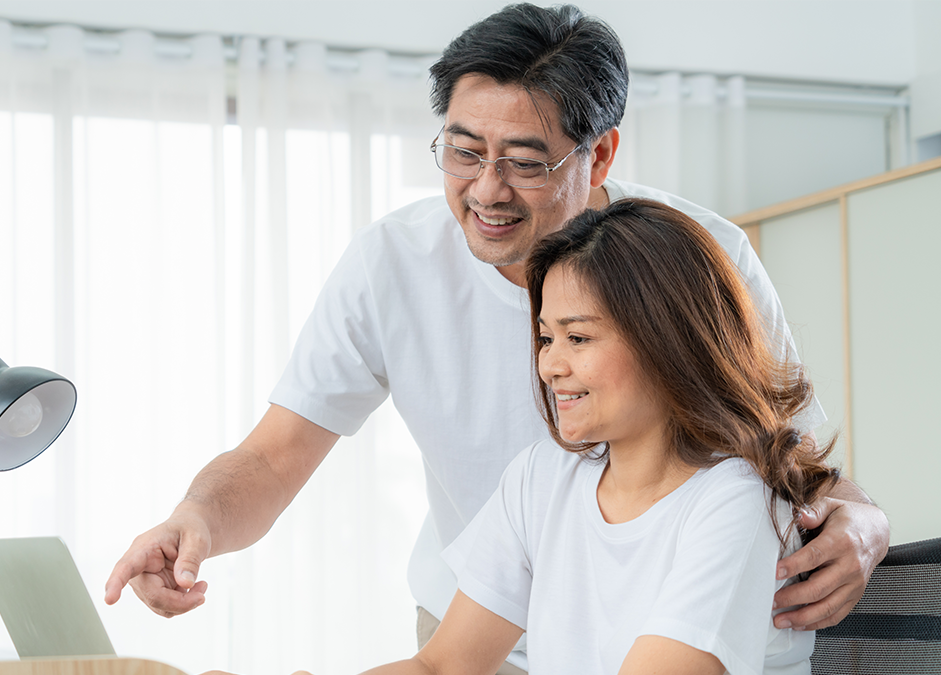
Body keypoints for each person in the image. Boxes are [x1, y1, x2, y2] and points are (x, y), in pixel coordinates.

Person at [105, 5, 889, 672]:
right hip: (492, 623)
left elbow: (789, 453)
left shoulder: (694, 270)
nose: (486, 190)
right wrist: (197, 517)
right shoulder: (537, 473)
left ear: (601, 153)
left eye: (523, 162)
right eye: (463, 151)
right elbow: (283, 463)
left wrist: (866, 519)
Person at [213, 197, 843, 674]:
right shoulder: (544, 477)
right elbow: (441, 667)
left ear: (665, 341)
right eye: (546, 338)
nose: (549, 366)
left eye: (578, 338)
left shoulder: (735, 500)